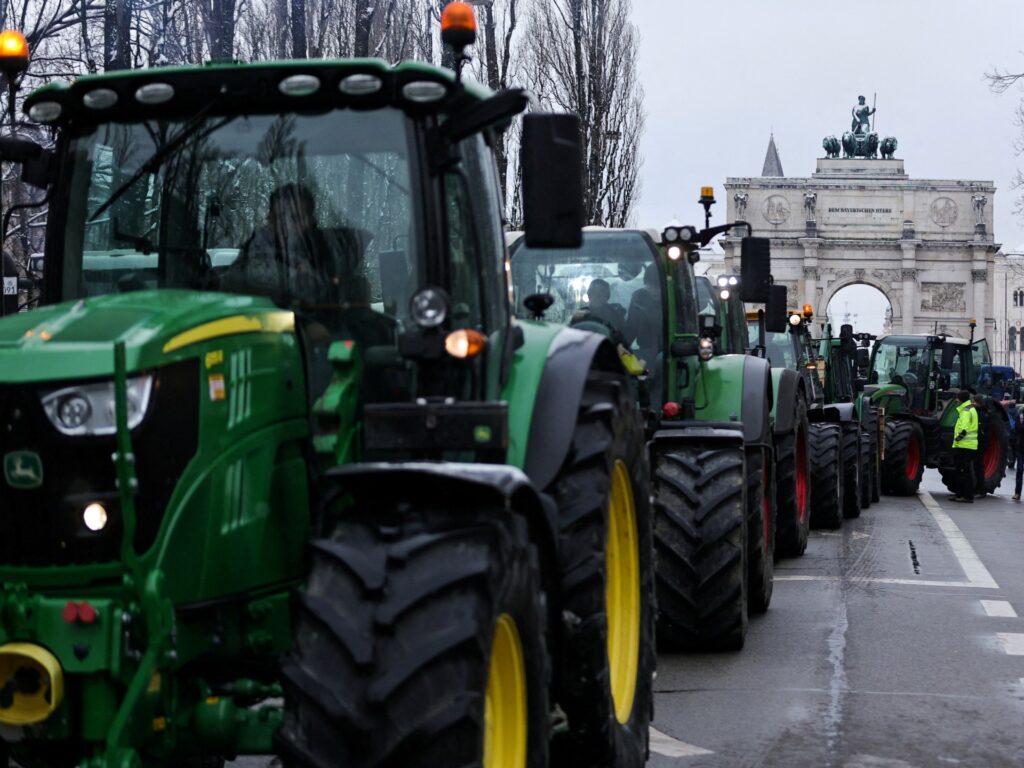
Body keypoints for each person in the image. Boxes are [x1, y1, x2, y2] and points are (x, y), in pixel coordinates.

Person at [223, 183, 340, 305]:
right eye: (281, 217)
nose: (287, 225)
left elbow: (332, 294)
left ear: (310, 221)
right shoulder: (253, 250)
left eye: (296, 218)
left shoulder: (325, 252)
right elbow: (236, 285)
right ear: (270, 219)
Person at [951, 390, 979, 503]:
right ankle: (961, 495)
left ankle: (966, 496)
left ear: (961, 399)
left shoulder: (966, 411)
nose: (956, 400)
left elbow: (964, 429)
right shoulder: (969, 409)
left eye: (957, 398)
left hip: (964, 445)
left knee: (964, 472)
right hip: (967, 445)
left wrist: (957, 439)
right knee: (963, 471)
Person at [1012, 406, 1024, 500]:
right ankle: (1017, 493)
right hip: (1020, 446)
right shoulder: (1020, 415)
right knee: (1019, 469)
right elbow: (1016, 428)